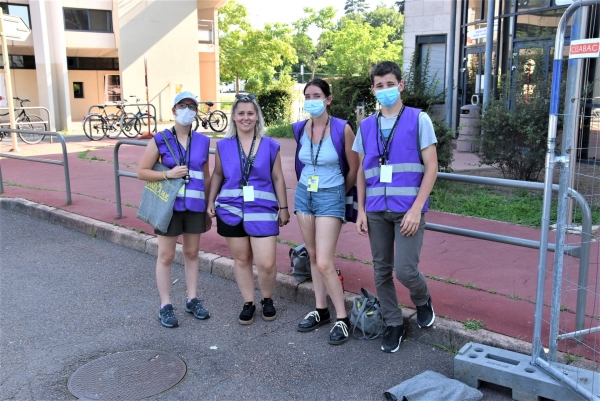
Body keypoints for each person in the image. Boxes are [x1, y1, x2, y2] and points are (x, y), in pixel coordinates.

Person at [354, 61, 438, 353]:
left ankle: (422, 298)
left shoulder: (419, 119)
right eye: (379, 85)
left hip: (408, 210)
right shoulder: (365, 126)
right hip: (376, 210)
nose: (385, 90)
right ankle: (394, 324)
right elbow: (361, 172)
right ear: (373, 89)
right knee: (381, 271)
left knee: (404, 270)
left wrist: (416, 209)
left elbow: (432, 167)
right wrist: (361, 209)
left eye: (390, 84)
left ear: (400, 85)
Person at [207, 94, 289, 325]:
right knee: (242, 259)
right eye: (241, 113)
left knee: (266, 262)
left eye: (250, 113)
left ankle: (267, 299)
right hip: (230, 210)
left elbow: (278, 178)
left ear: (257, 117)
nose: (246, 117)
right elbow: (218, 175)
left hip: (263, 210)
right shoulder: (223, 146)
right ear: (233, 116)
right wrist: (210, 201)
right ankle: (248, 302)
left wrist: (283, 208)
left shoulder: (271, 145)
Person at [137, 91, 212, 328]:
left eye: (192, 106)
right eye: (183, 105)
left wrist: (209, 204)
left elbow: (207, 176)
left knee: (192, 253)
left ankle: (192, 299)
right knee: (166, 255)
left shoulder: (203, 141)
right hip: (169, 207)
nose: (188, 110)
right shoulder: (159, 139)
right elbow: (142, 171)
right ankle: (165, 305)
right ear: (174, 110)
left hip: (195, 206)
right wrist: (167, 174)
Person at [292, 79, 358, 345]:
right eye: (307, 95)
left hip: (331, 195)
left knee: (324, 261)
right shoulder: (300, 128)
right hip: (304, 194)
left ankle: (343, 318)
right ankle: (321, 310)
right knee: (312, 256)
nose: (312, 100)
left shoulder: (343, 129)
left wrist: (339, 192)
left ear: (328, 99)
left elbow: (353, 169)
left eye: (317, 95)